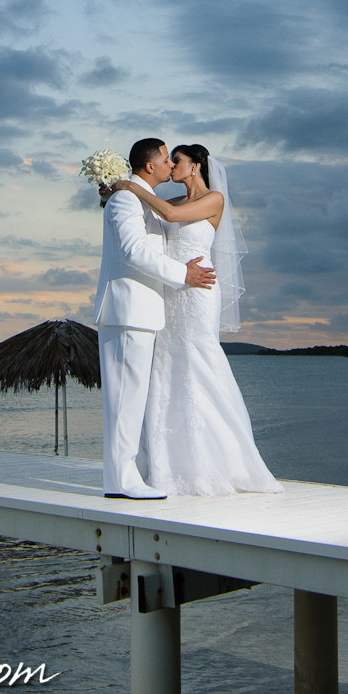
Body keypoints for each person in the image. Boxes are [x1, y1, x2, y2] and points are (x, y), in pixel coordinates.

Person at [108, 143, 282, 496]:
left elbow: (169, 219)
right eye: (169, 160)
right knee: (167, 369)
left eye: (179, 161)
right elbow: (150, 217)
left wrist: (131, 186)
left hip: (198, 291)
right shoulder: (171, 202)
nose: (172, 166)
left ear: (196, 166)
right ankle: (169, 462)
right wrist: (114, 191)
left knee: (200, 362)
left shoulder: (214, 199)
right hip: (171, 291)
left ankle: (226, 460)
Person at [92, 138, 216, 499]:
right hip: (128, 309)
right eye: (165, 158)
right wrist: (183, 275)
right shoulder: (126, 199)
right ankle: (121, 480)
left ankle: (125, 475)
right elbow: (132, 251)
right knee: (124, 398)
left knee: (133, 397)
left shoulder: (139, 198)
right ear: (150, 166)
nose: (169, 164)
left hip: (144, 310)